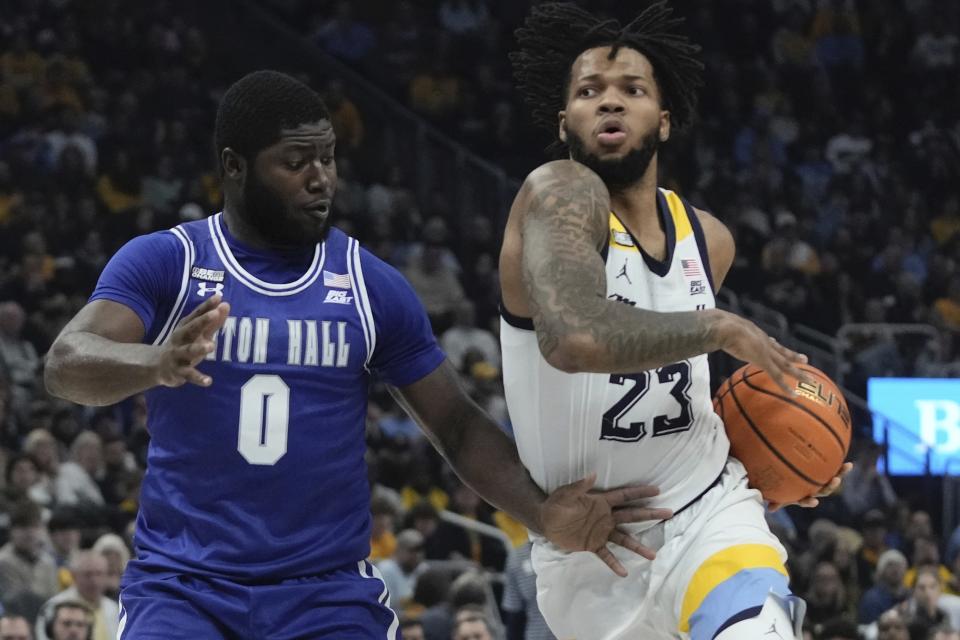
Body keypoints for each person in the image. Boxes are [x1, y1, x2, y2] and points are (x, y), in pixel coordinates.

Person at [44, 70, 663, 638]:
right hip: (184, 587)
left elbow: (454, 423)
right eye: (296, 162)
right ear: (234, 166)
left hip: (326, 595)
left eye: (328, 157)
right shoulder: (169, 261)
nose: (321, 178)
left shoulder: (370, 285)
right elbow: (67, 362)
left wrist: (540, 512)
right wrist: (154, 363)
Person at [499, 4, 850, 639]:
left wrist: (792, 459)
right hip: (592, 554)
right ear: (564, 123)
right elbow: (574, 339)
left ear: (662, 122)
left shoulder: (707, 239)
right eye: (589, 92)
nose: (610, 103)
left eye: (632, 90)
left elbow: (679, 393)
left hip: (710, 507)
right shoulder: (555, 195)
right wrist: (716, 328)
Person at [36, 551, 117, 640]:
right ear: (74, 576)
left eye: (99, 574)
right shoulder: (54, 607)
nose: (94, 580)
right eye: (88, 574)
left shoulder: (114, 608)